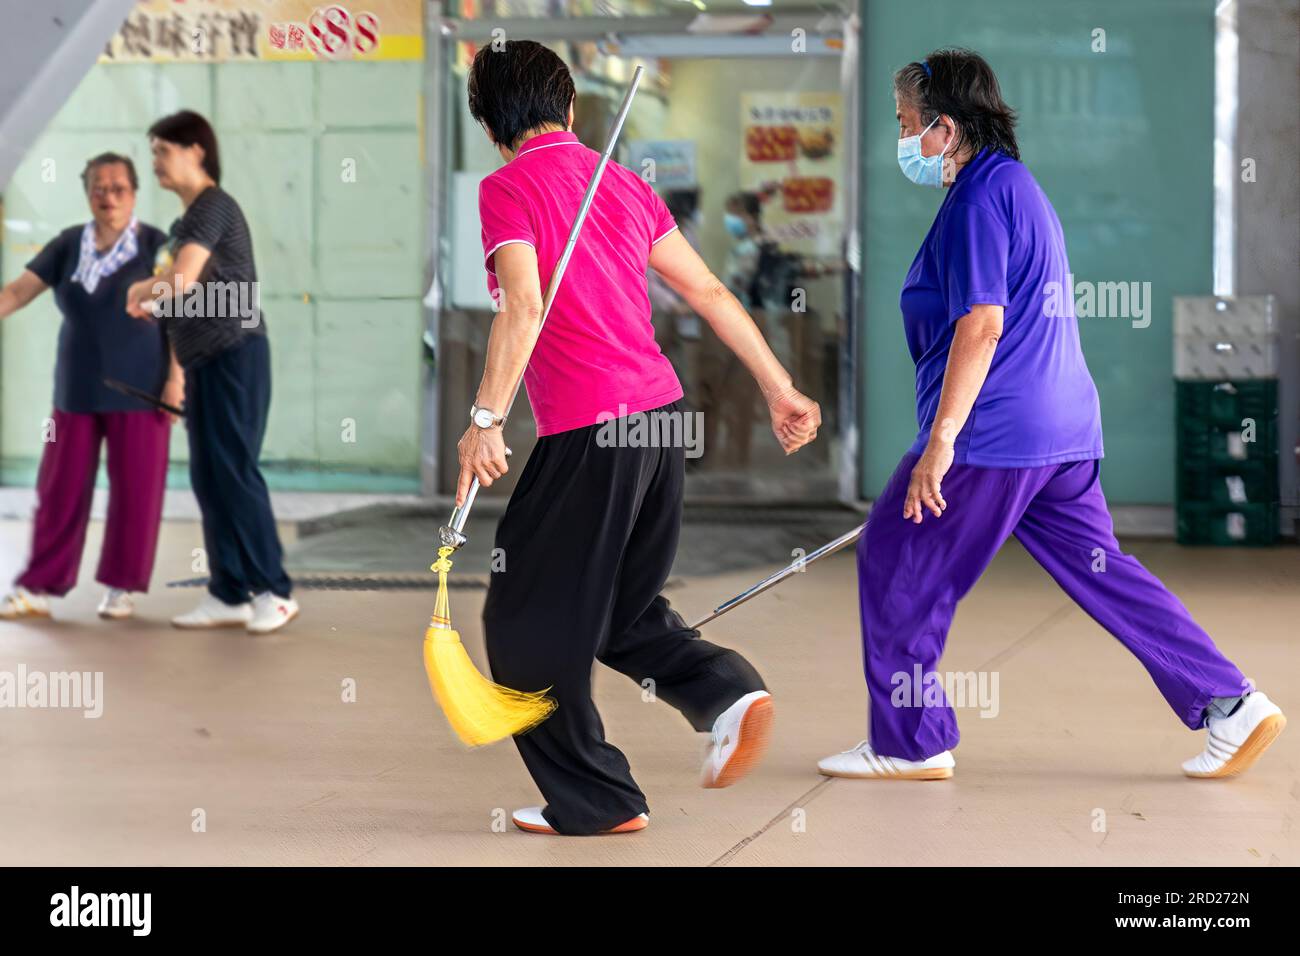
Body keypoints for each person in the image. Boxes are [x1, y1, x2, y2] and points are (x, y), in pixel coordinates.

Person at [817, 48, 1285, 783]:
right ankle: (1230, 702)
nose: (901, 137)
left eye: (907, 124)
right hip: (1060, 434)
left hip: (994, 434)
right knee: (1105, 572)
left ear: (944, 127)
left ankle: (910, 741)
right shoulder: (1016, 185)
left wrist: (941, 443)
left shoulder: (976, 200)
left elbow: (982, 324)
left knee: (895, 557)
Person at [462, 40, 821, 836]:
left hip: (592, 430)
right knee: (621, 609)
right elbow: (709, 289)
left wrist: (485, 421)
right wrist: (780, 387)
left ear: (490, 121)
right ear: (571, 108)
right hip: (659, 420)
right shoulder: (620, 183)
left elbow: (521, 307)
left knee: (523, 617)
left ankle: (597, 798)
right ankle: (726, 692)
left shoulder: (506, 188)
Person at [124, 110, 297, 635]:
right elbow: (180, 302)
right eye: (152, 151)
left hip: (236, 353)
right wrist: (175, 374)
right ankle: (228, 592)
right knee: (209, 476)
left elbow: (177, 282)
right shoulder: (185, 223)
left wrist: (135, 292)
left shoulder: (212, 206)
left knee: (235, 471)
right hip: (205, 361)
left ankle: (274, 590)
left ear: (196, 150)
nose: (155, 161)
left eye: (163, 150)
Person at [0, 153, 174, 622]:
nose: (108, 197)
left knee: (137, 491)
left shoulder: (158, 247)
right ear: (87, 194)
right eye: (99, 187)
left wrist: (178, 379)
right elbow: (17, 292)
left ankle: (122, 587)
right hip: (74, 390)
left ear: (135, 193)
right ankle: (38, 587)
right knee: (58, 489)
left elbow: (183, 314)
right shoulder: (67, 245)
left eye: (118, 187)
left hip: (143, 389)